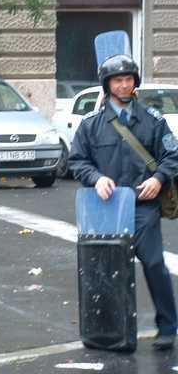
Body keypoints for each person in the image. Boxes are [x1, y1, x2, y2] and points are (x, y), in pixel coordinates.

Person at [69, 34, 178, 350]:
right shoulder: (91, 124)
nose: (123, 85)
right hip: (106, 208)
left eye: (128, 79)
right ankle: (107, 328)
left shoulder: (153, 121)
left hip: (144, 206)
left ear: (135, 82)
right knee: (105, 269)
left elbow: (173, 155)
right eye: (117, 80)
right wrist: (95, 178)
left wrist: (159, 177)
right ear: (107, 84)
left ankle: (168, 327)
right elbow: (78, 160)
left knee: (154, 263)